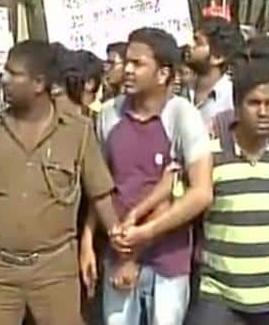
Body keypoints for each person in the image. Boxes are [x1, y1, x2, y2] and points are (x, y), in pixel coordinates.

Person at [0, 40, 123, 324]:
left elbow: (101, 194)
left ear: (39, 83)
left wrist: (120, 241)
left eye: (13, 73)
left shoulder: (77, 133)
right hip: (0, 272)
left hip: (55, 270)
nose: (3, 79)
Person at [85, 27, 213, 325]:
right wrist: (89, 241)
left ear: (163, 74)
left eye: (138, 64)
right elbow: (100, 186)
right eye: (126, 62)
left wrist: (146, 233)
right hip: (117, 254)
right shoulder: (108, 115)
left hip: (169, 261)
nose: (127, 70)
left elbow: (201, 192)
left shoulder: (183, 116)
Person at [185, 60, 269, 324]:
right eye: (254, 103)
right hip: (220, 297)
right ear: (237, 107)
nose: (263, 112)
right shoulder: (210, 154)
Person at [186, 17, 244, 123]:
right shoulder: (180, 90)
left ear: (217, 57)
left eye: (198, 43)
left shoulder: (234, 98)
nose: (190, 46)